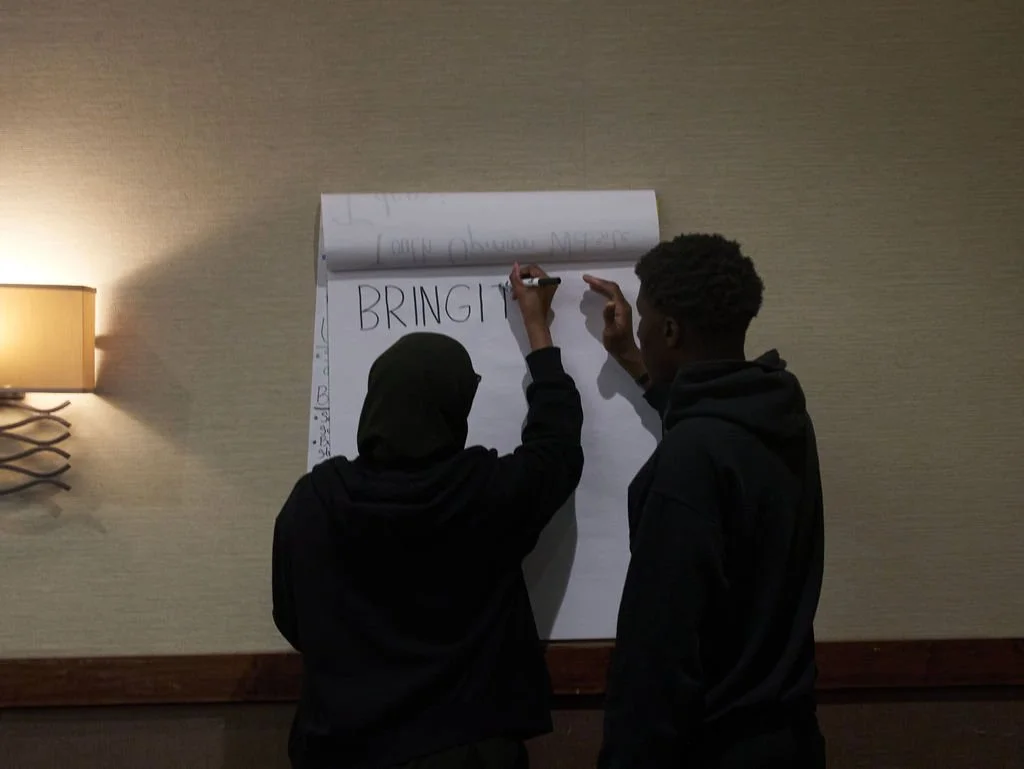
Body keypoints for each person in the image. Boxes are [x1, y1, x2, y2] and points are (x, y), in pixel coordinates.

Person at [271, 264, 584, 769]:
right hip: (471, 751)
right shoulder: (485, 493)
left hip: (341, 750)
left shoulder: (315, 501)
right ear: (453, 409)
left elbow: (291, 617)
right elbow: (557, 447)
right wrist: (539, 331)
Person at [582, 234, 826, 769]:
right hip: (791, 741)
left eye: (644, 320)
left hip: (710, 748)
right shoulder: (781, 417)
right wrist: (635, 360)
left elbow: (658, 657)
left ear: (669, 330)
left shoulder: (687, 463)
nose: (639, 330)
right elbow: (711, 419)